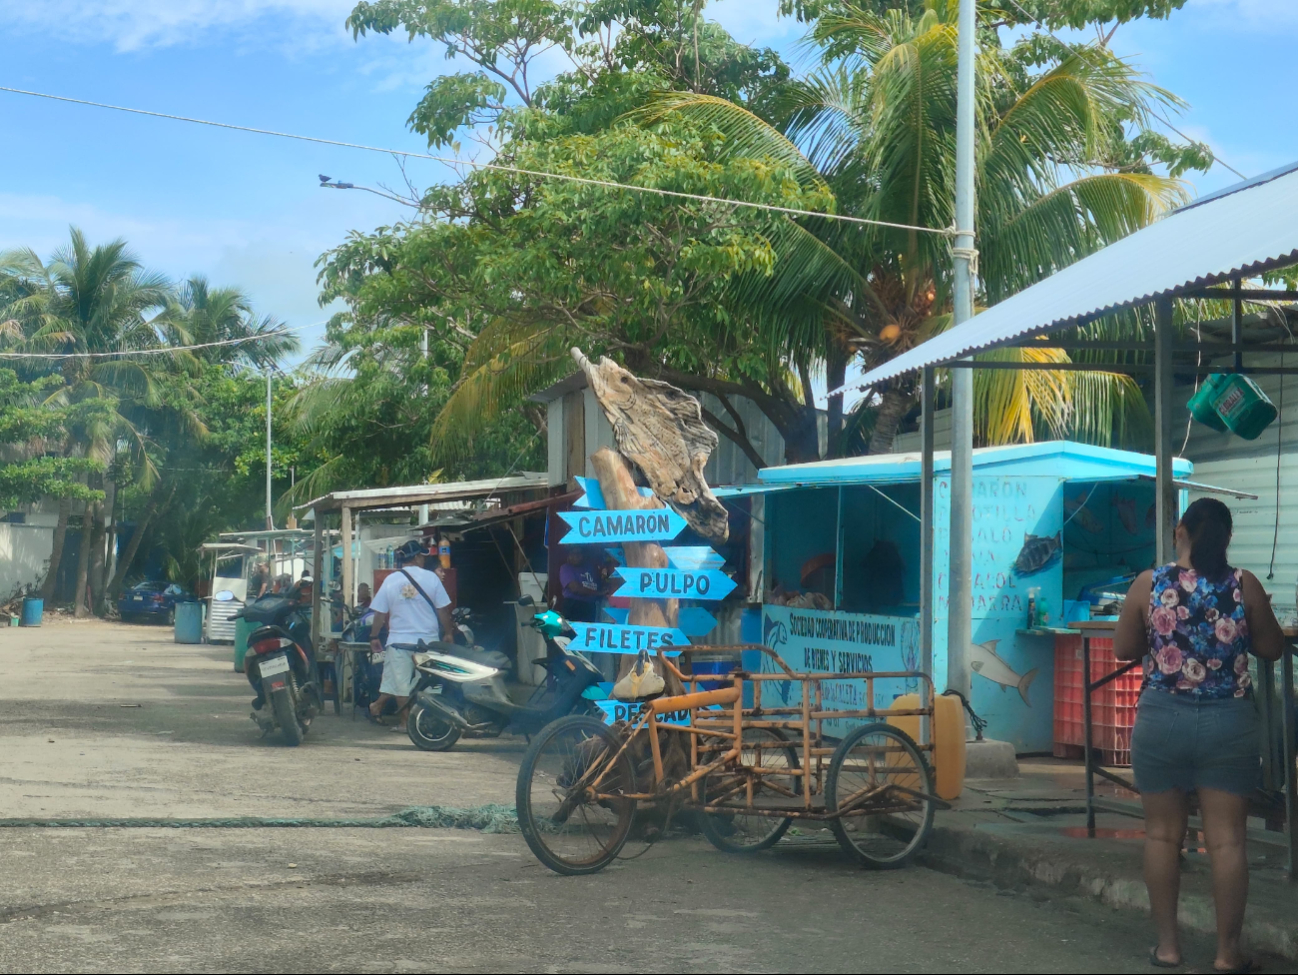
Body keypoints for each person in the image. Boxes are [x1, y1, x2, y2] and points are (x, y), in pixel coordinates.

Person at [1114, 498, 1285, 973]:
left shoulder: (1150, 583)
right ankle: (1227, 954)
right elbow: (1271, 648)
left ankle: (1168, 948)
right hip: (1227, 722)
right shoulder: (1242, 584)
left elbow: (1123, 648)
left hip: (1161, 718)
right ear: (1227, 539)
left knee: (1163, 835)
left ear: (1179, 532)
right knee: (1228, 841)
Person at [367, 541, 454, 730]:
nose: (423, 559)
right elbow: (442, 611)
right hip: (428, 641)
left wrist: (374, 636)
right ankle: (426, 721)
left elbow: (380, 613)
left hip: (399, 642)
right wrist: (448, 633)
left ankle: (405, 723)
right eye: (422, 556)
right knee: (429, 683)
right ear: (416, 557)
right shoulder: (432, 579)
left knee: (400, 683)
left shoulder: (390, 580)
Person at [560, 548, 601, 622]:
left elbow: (598, 585)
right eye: (572, 554)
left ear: (583, 555)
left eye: (578, 554)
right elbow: (575, 588)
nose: (575, 557)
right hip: (574, 605)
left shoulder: (590, 568)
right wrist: (598, 593)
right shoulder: (566, 568)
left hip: (590, 606)